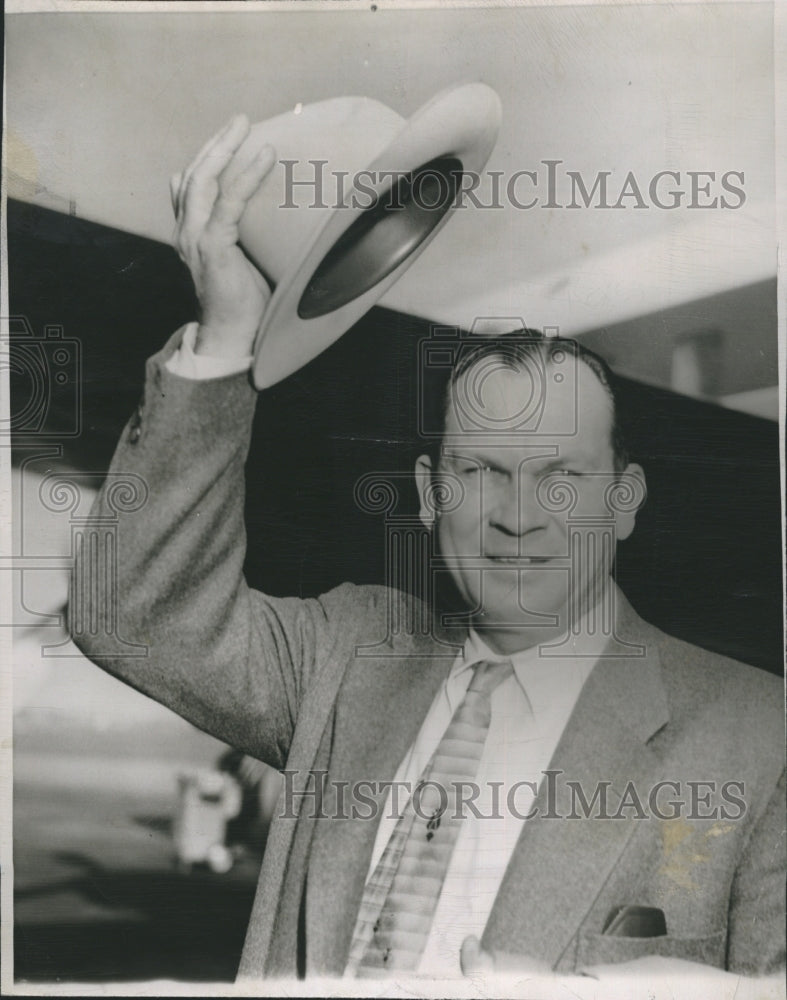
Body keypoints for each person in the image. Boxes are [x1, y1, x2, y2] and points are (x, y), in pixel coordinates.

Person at [70, 115, 784, 983]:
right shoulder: (347, 655)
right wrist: (227, 338)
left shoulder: (759, 736)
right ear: (426, 492)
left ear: (622, 500)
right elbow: (133, 616)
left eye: (559, 474)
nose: (518, 516)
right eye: (480, 469)